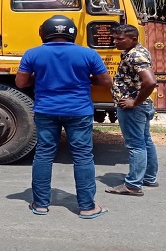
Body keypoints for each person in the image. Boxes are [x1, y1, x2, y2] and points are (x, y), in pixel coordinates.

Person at [15, 15, 113, 218]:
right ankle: (87, 207)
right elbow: (105, 81)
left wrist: (41, 77)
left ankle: (40, 204)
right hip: (79, 111)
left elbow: (21, 83)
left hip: (46, 110)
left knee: (44, 155)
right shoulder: (88, 54)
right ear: (72, 32)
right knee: (83, 157)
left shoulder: (33, 54)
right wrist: (85, 79)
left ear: (44, 33)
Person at [105, 25, 159, 197]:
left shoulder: (136, 55)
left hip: (133, 108)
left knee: (136, 145)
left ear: (133, 39)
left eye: (120, 39)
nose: (115, 42)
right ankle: (148, 177)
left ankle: (133, 185)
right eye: (114, 38)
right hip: (141, 105)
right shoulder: (133, 51)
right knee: (145, 141)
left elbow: (150, 82)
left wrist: (134, 102)